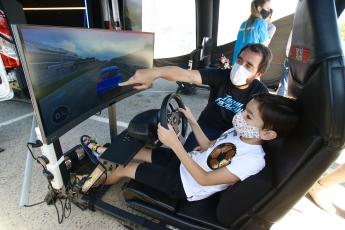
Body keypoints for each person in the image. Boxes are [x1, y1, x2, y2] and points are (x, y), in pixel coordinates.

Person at [81, 93, 299, 202]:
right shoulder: (239, 133)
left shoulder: (253, 160)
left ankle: (87, 186)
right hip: (187, 163)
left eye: (248, 116)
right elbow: (207, 146)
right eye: (244, 111)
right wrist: (192, 120)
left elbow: (204, 179)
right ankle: (101, 153)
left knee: (124, 169)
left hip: (185, 186)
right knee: (138, 152)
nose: (240, 116)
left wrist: (175, 144)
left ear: (268, 134)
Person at [120, 43, 272, 152]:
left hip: (233, 136)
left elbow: (255, 131)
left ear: (258, 73)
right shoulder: (221, 75)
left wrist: (216, 144)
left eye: (249, 66)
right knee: (182, 162)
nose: (240, 67)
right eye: (239, 61)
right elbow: (188, 75)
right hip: (205, 127)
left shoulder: (260, 94)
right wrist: (156, 73)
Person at [231, 0, 271, 65]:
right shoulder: (262, 23)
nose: (269, 11)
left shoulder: (243, 24)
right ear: (259, 8)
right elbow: (264, 45)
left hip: (236, 62)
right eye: (268, 8)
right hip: (250, 64)